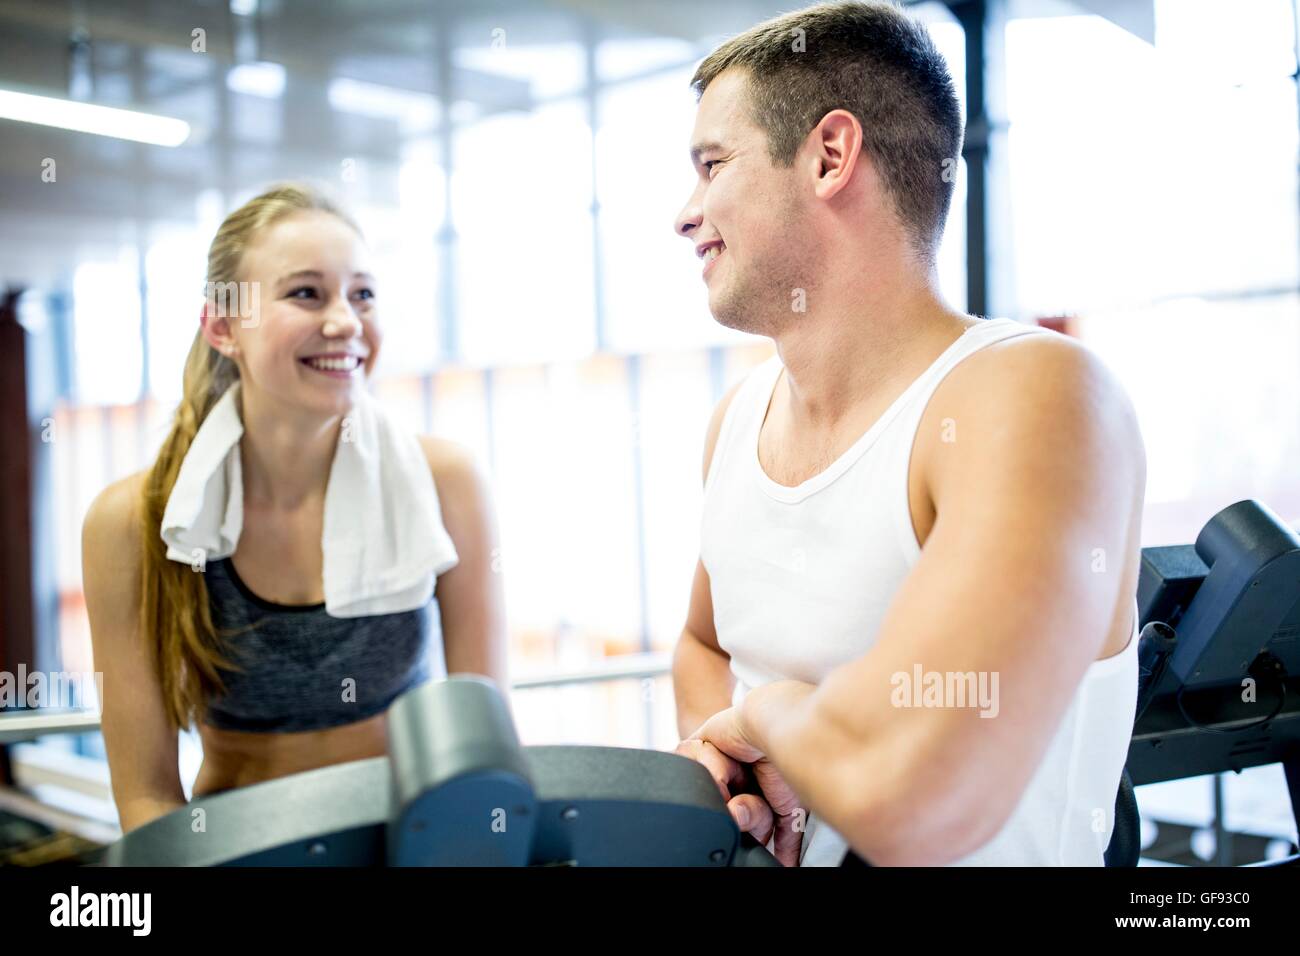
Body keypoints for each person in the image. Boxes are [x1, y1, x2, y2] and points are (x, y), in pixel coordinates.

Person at [670, 1, 1145, 866]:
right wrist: (727, 762)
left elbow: (910, 788)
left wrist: (766, 715)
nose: (685, 212)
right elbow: (704, 644)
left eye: (712, 165)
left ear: (829, 156)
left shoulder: (1032, 394)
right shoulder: (734, 424)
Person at [81, 183, 506, 833]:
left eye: (362, 294)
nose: (346, 322)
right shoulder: (133, 523)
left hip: (411, 842)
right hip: (239, 852)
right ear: (223, 326)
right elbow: (146, 801)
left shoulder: (445, 481)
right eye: (306, 293)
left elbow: (487, 744)